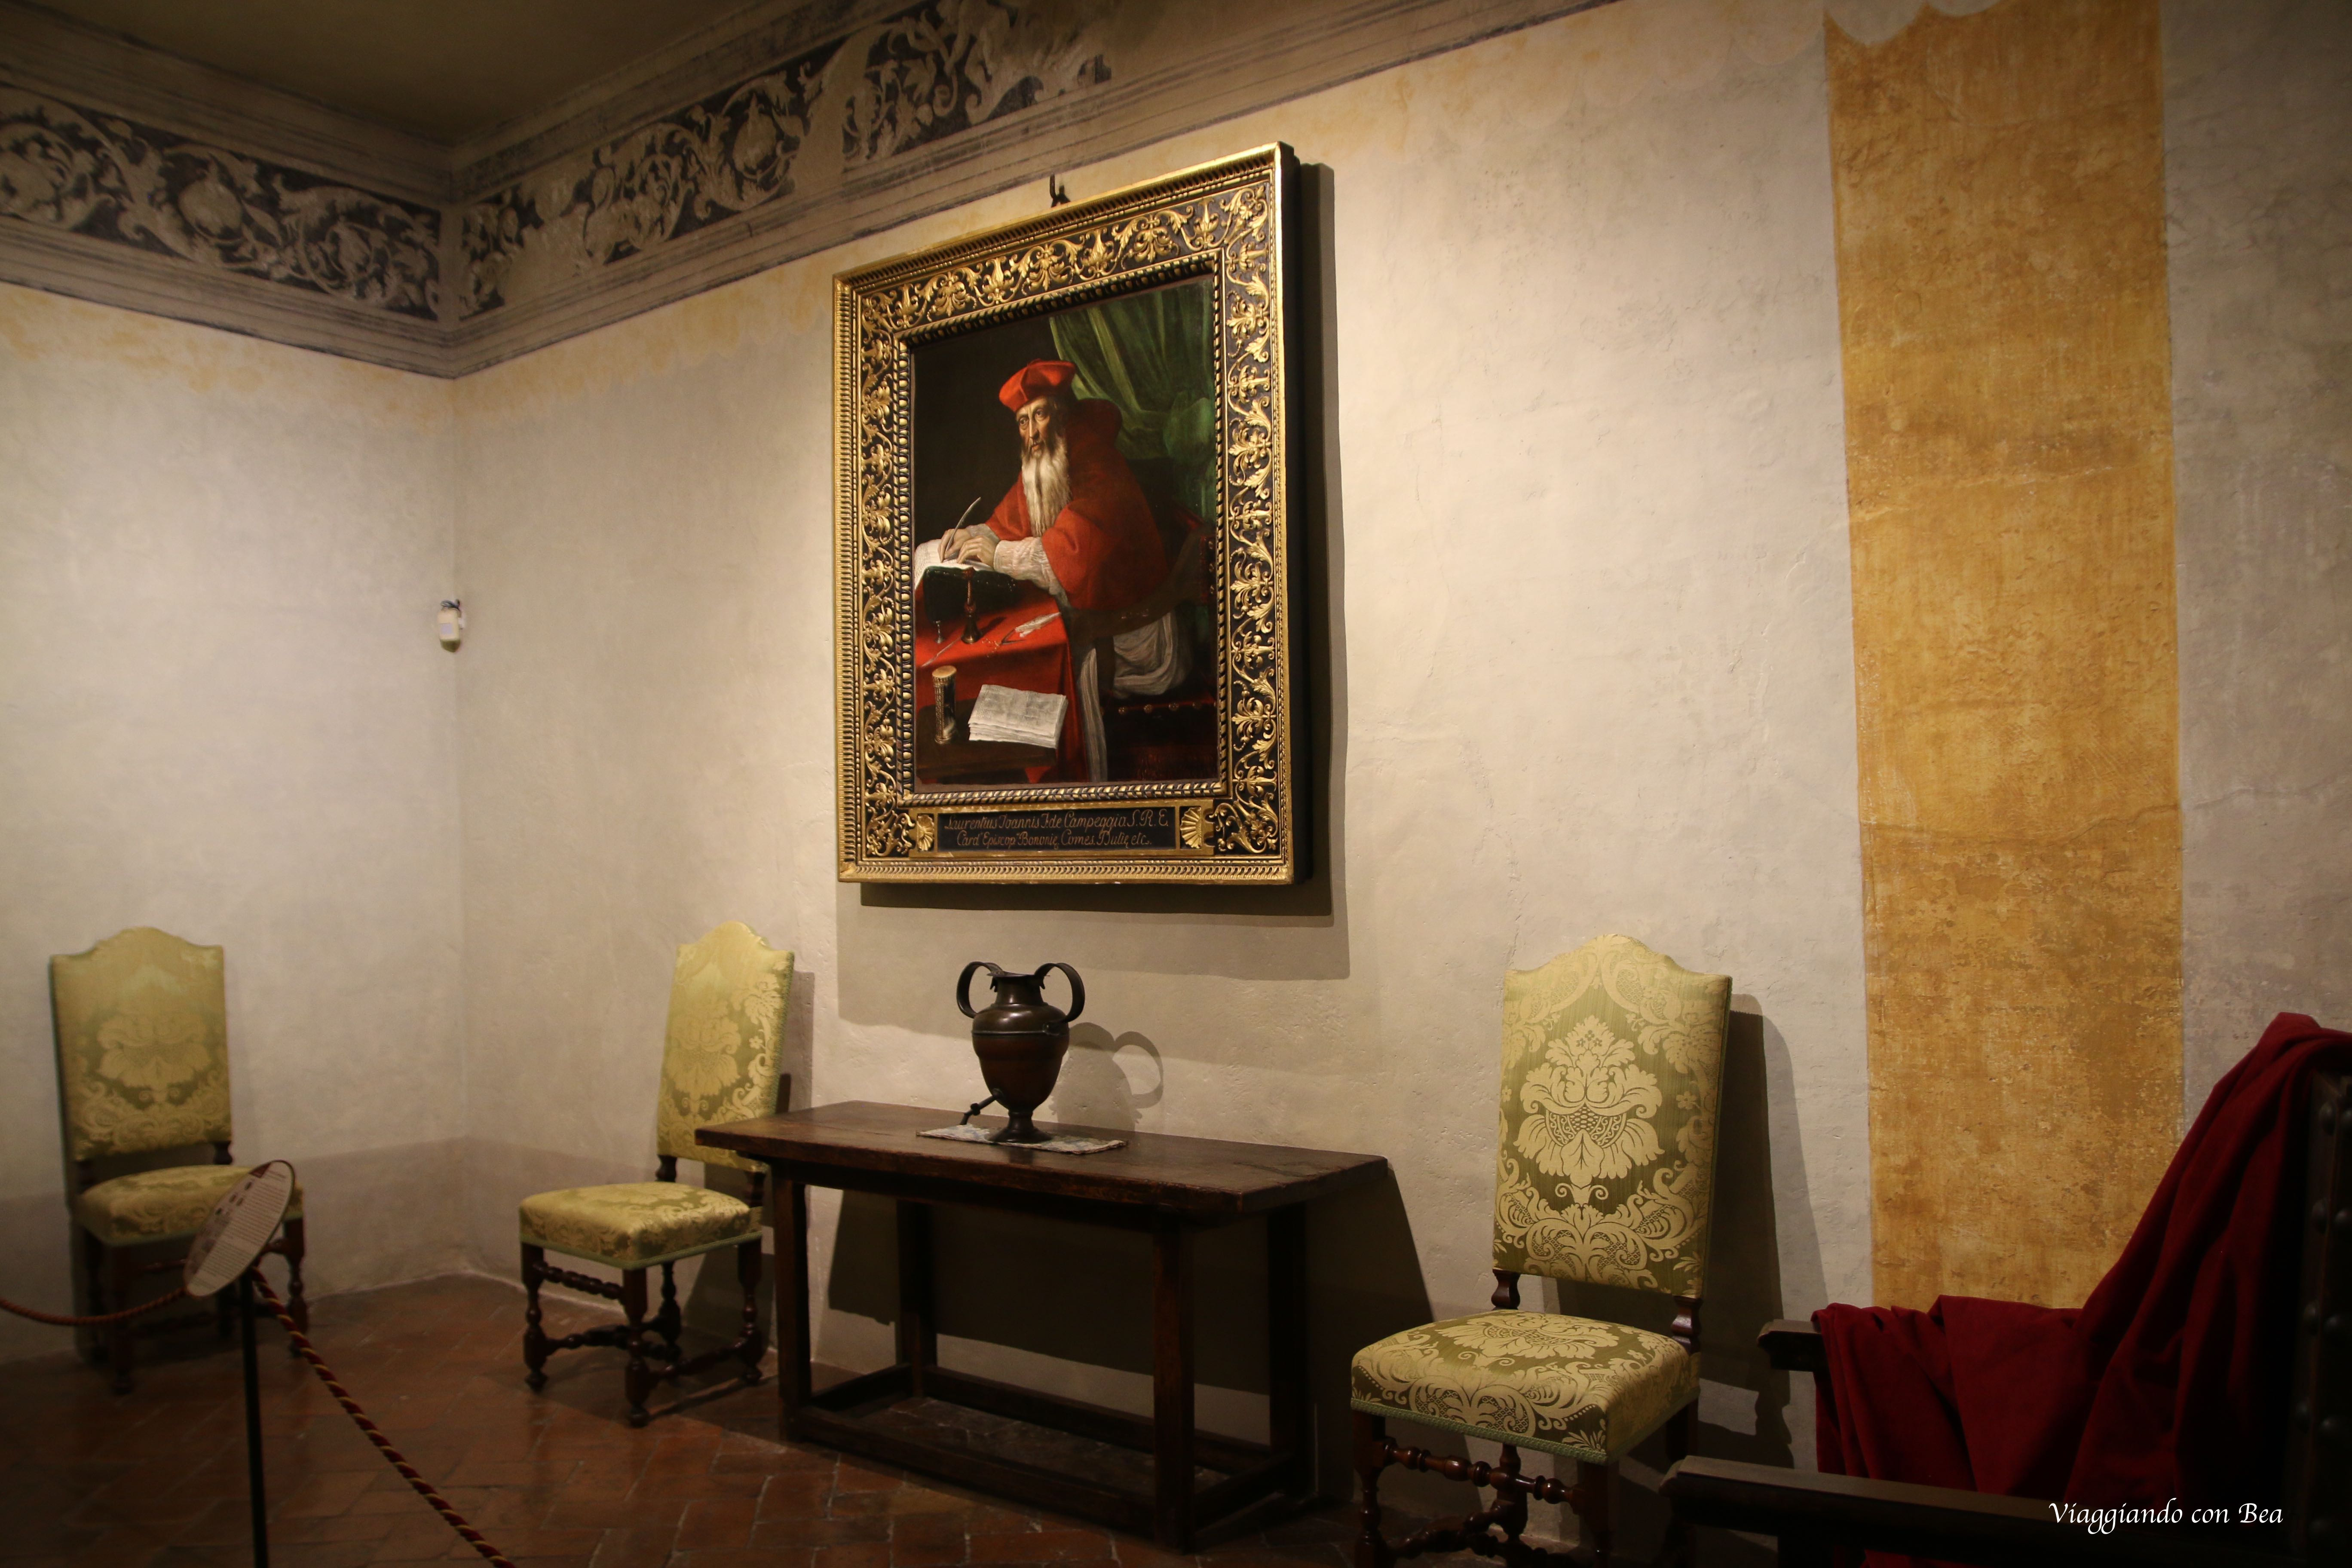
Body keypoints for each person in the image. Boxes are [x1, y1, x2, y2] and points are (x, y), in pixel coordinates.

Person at [939, 359, 1191, 780]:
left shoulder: (1094, 457)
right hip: (1095, 616)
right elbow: (1008, 522)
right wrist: (970, 534)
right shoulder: (1045, 461)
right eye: (1023, 422)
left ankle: (1060, 779)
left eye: (1039, 415)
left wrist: (999, 556)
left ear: (1060, 415)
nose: (1032, 433)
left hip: (1134, 637)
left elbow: (1075, 556)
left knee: (1028, 665)